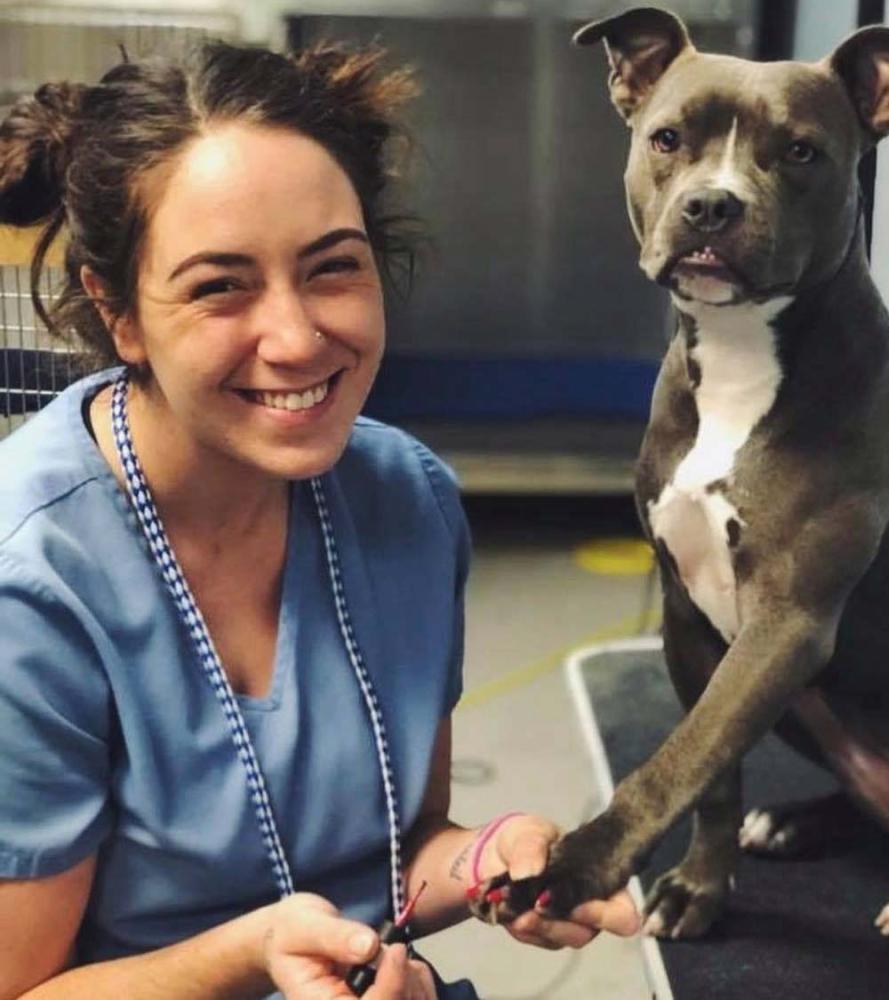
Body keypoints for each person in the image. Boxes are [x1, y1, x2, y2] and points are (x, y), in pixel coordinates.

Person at [0, 40, 638, 1000]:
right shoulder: (31, 587)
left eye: (333, 269)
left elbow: (398, 858)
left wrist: (487, 863)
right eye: (221, 285)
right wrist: (251, 955)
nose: (297, 339)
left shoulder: (405, 500)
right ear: (119, 312)